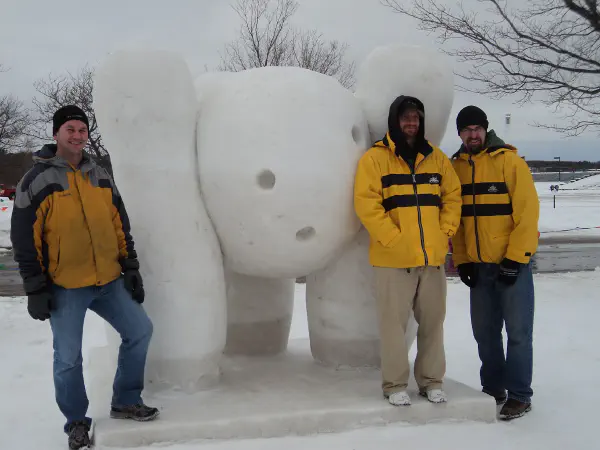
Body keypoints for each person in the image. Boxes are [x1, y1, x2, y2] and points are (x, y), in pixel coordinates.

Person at [10, 105, 158, 449]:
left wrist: (130, 266)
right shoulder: (36, 180)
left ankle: (125, 399)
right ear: (56, 133)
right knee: (67, 358)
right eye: (70, 129)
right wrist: (35, 287)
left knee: (140, 331)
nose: (77, 136)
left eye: (82, 130)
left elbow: (118, 222)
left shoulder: (100, 175)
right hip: (65, 286)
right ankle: (76, 421)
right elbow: (24, 238)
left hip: (108, 279)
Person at [354, 96, 462, 406]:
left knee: (432, 323)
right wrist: (392, 238)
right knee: (393, 327)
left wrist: (445, 233)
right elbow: (366, 203)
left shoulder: (437, 158)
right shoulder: (375, 159)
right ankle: (395, 384)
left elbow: (452, 197)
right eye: (405, 117)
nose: (411, 123)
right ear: (394, 120)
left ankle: (431, 381)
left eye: (416, 117)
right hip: (393, 261)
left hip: (432, 259)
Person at [451, 105, 539, 420]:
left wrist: (515, 259)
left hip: (512, 266)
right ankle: (493, 389)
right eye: (467, 129)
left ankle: (519, 395)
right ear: (459, 133)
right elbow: (457, 221)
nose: (473, 134)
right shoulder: (456, 168)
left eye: (478, 128)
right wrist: (463, 261)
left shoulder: (510, 162)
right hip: (479, 267)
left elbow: (527, 217)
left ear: (486, 130)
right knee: (485, 333)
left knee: (517, 333)